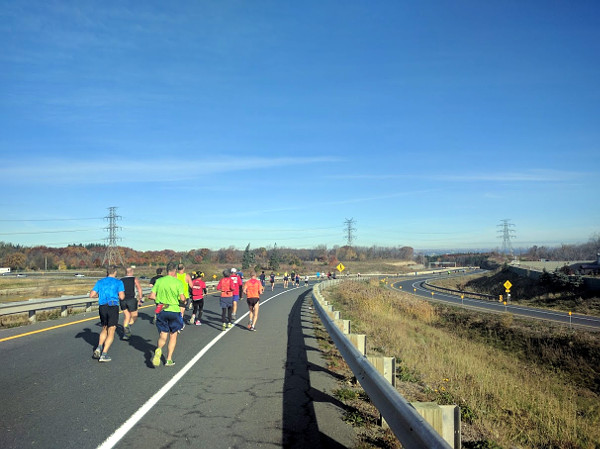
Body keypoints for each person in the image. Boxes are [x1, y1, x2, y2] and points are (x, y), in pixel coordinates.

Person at [148, 262, 186, 367]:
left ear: (166, 270)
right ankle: (169, 359)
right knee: (173, 335)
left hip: (162, 310)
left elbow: (151, 296)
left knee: (163, 334)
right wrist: (183, 300)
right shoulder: (178, 282)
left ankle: (159, 349)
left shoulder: (159, 281)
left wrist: (160, 300)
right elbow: (182, 298)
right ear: (175, 271)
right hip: (174, 310)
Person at [90, 265, 125, 363]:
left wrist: (100, 295)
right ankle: (104, 354)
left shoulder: (100, 282)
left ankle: (99, 347)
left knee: (104, 327)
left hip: (102, 307)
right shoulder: (119, 282)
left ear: (107, 272)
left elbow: (92, 295)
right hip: (112, 306)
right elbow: (122, 297)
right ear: (115, 272)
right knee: (112, 330)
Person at [120, 267, 143, 340]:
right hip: (131, 299)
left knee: (127, 316)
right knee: (134, 316)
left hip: (123, 300)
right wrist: (140, 298)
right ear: (132, 272)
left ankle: (125, 334)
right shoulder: (134, 279)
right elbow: (139, 288)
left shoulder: (121, 280)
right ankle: (128, 326)